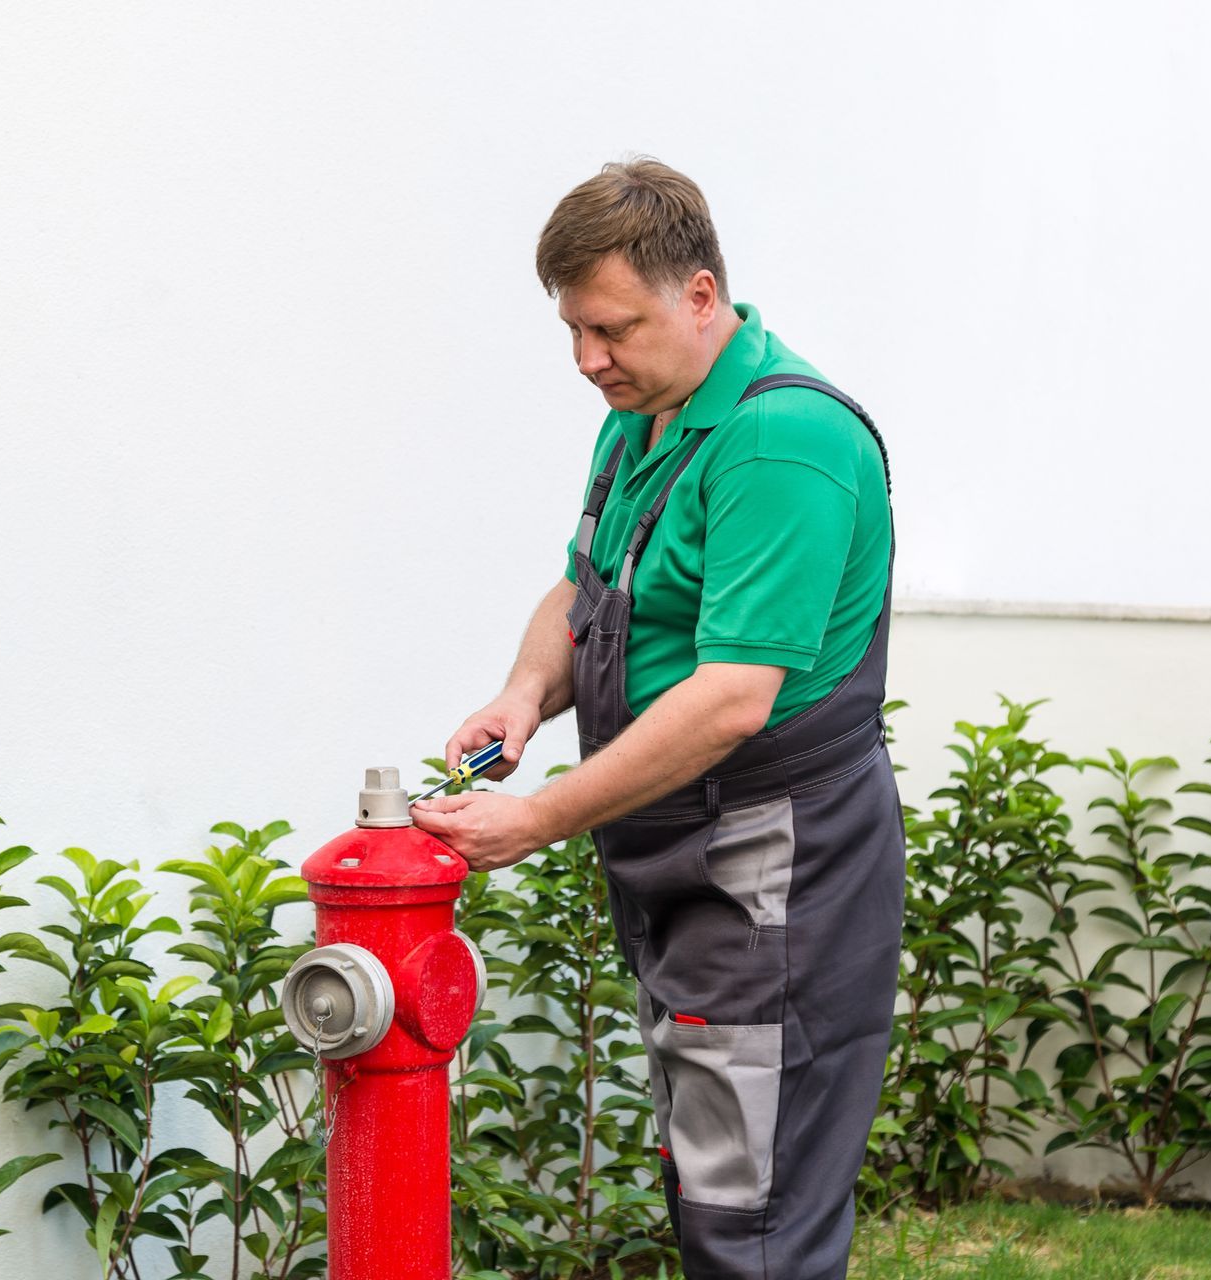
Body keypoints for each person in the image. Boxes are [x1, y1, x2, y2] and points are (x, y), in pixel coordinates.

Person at [409, 156, 903, 1280]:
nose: (590, 361)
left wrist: (537, 817)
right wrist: (526, 693)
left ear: (698, 293)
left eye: (613, 329)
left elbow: (734, 697)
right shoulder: (648, 415)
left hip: (777, 875)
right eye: (576, 332)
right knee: (717, 1184)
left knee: (755, 1221)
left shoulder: (784, 442)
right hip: (691, 860)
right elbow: (586, 590)